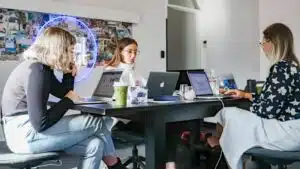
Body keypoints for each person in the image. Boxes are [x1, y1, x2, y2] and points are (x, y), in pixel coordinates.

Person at [1, 27, 127, 169]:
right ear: (59, 50)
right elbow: (40, 123)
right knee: (95, 121)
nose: (72, 56)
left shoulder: (42, 69)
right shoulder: (37, 70)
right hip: (24, 136)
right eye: (70, 51)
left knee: (94, 144)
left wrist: (68, 73)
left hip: (26, 134)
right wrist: (68, 100)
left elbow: (63, 92)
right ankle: (116, 165)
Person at [204, 23, 300, 169]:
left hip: (286, 134)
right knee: (238, 119)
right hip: (293, 130)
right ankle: (224, 142)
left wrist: (250, 109)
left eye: (264, 42)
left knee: (228, 113)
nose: (262, 46)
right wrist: (246, 95)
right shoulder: (292, 67)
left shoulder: (281, 68)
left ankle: (223, 143)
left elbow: (267, 111)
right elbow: (276, 100)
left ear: (274, 43)